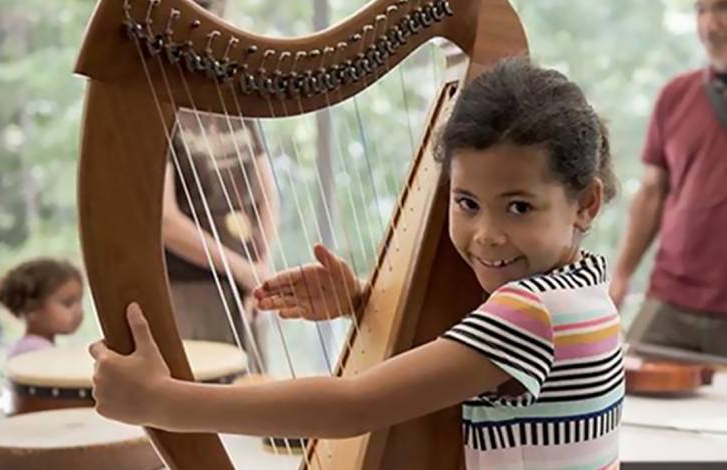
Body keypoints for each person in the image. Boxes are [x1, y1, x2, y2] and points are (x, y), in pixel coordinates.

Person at [90, 58, 624, 469]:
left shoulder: (528, 315)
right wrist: (363, 301)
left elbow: (351, 406)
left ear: (586, 204)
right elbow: (463, 361)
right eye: (466, 203)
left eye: (520, 207)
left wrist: (162, 402)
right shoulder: (581, 290)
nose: (486, 234)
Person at [610, 0, 727, 356]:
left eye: (721, 9)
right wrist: (622, 275)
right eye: (701, 10)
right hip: (670, 297)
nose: (709, 24)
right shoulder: (675, 95)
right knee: (631, 399)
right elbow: (651, 193)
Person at [162, 0, 278, 349]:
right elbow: (163, 220)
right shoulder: (158, 105)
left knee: (254, 394)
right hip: (190, 290)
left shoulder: (235, 96)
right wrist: (243, 271)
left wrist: (261, 266)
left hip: (248, 288)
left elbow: (268, 194)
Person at [0, 258, 84, 358]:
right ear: (32, 308)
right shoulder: (34, 352)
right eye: (67, 303)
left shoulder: (38, 348)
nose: (78, 311)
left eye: (79, 301)